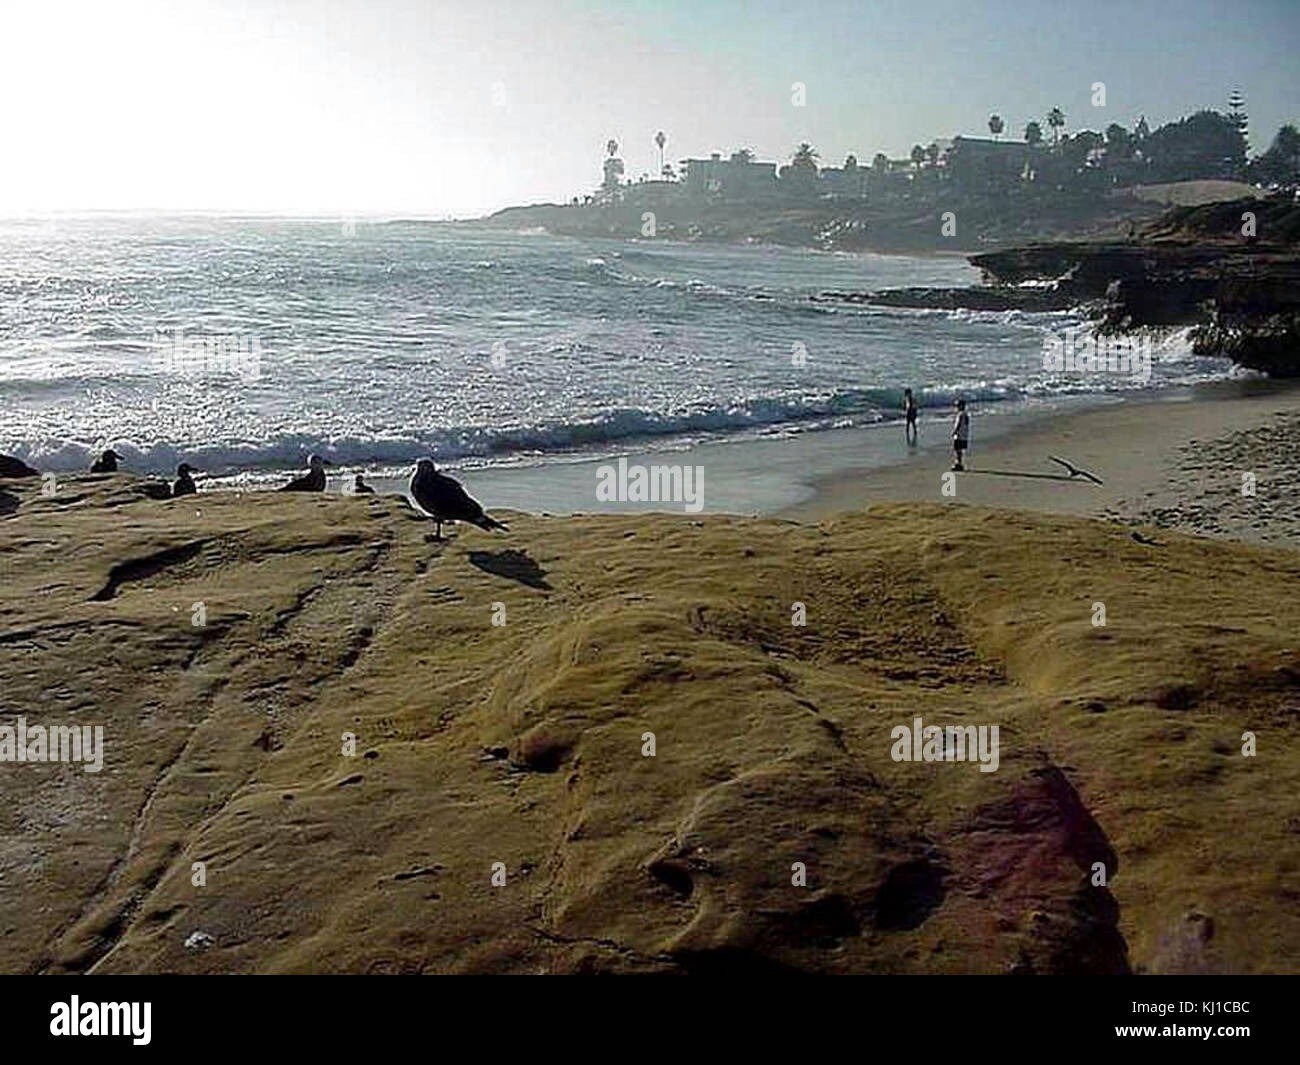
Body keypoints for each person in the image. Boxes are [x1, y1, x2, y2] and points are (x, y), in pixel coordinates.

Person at [951, 398, 970, 471]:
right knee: (960, 450)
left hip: (959, 435)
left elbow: (958, 424)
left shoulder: (960, 414)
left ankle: (958, 463)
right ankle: (959, 463)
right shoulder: (966, 414)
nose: (956, 407)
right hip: (964, 435)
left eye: (957, 406)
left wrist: (954, 431)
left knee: (957, 450)